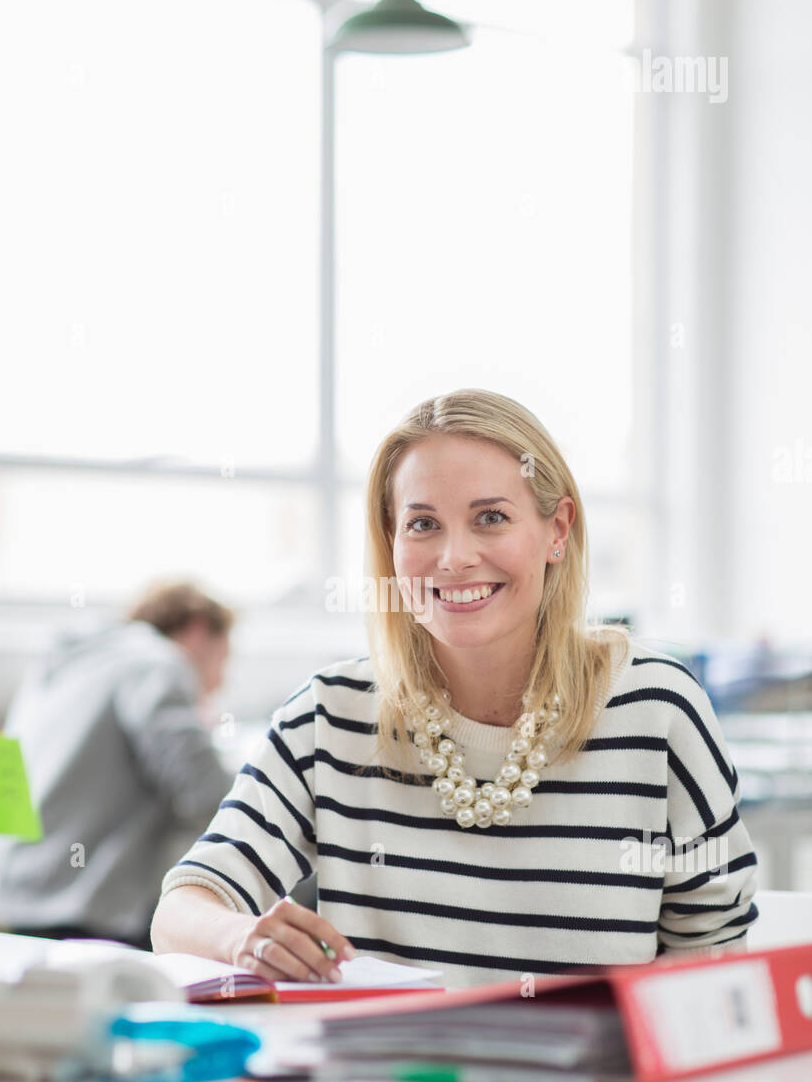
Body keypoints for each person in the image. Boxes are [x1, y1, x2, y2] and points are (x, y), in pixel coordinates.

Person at [151, 391, 759, 988]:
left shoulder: (656, 709)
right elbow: (182, 908)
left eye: (490, 517)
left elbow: (712, 965)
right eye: (422, 524)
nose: (453, 558)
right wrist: (243, 938)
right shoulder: (328, 716)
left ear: (557, 529)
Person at [0, 582, 235, 949]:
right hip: (78, 918)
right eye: (224, 659)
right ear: (200, 629)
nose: (220, 681)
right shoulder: (157, 662)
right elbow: (208, 794)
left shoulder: (63, 666)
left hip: (1, 907)